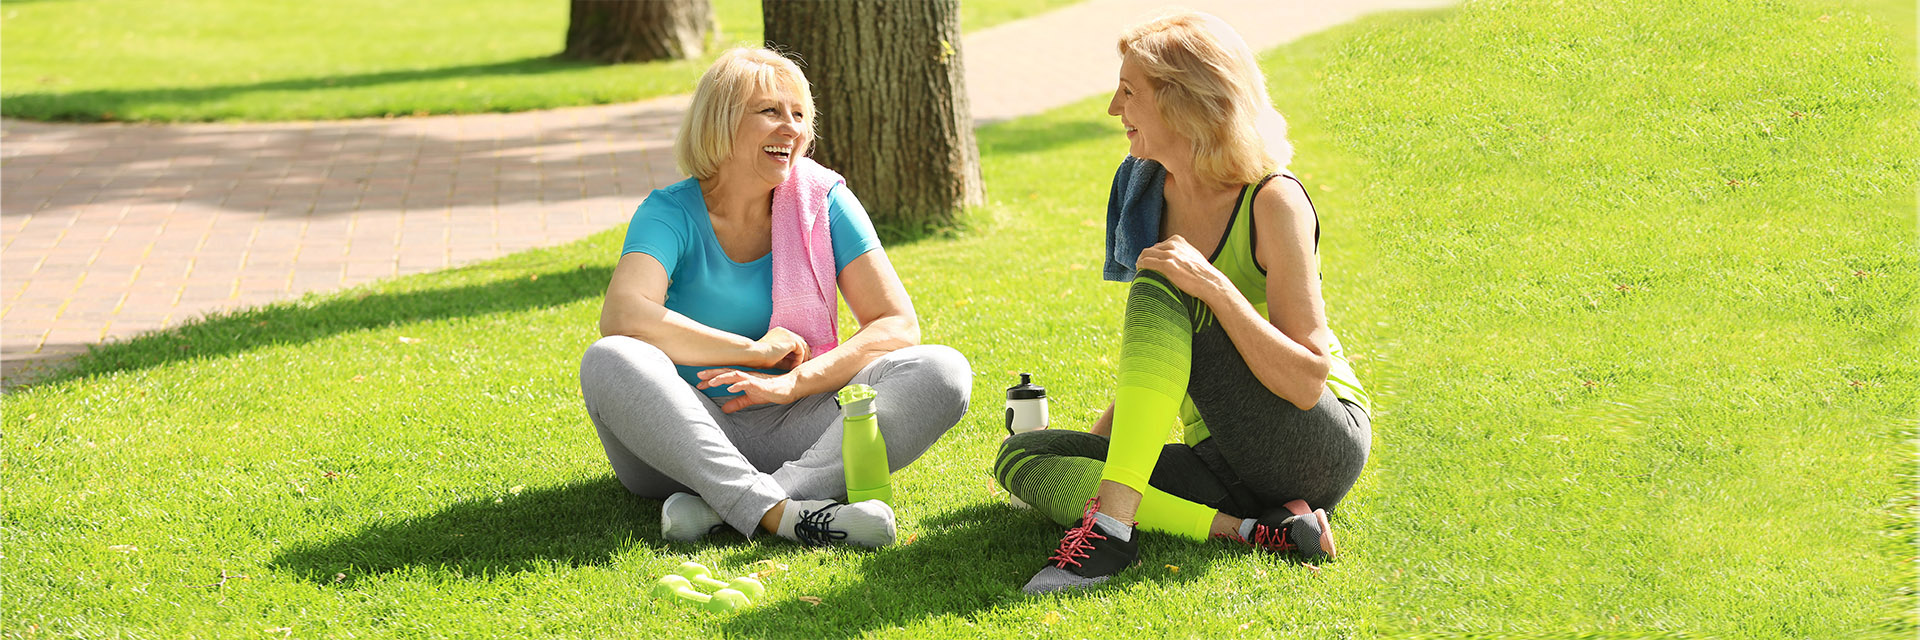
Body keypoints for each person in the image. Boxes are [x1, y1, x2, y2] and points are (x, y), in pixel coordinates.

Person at [993, 12, 1373, 593]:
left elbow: (1306, 380)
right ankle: (1256, 531)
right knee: (1024, 458)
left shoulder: (1274, 201)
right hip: (1218, 455)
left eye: (1129, 92)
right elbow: (1157, 355)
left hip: (1313, 443)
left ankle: (1110, 535)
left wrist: (1213, 286)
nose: (1113, 109)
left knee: (1165, 284)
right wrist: (1096, 454)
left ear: (1185, 102)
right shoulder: (1145, 192)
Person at [581, 48, 972, 549]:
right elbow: (624, 314)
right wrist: (756, 352)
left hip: (800, 425)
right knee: (611, 357)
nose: (792, 128)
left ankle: (742, 506)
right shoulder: (670, 212)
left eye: (799, 115)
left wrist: (794, 382)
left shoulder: (824, 199)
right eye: (770, 111)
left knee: (942, 369)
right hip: (682, 440)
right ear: (720, 122)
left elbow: (895, 324)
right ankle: (781, 512)